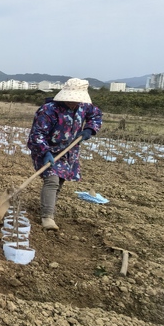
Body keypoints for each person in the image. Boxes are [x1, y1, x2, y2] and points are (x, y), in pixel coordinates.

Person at [26, 78, 102, 231]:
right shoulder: (48, 110)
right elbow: (37, 134)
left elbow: (96, 116)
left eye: (75, 100)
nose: (73, 103)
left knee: (60, 181)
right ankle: (47, 216)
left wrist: (89, 129)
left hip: (69, 151)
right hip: (47, 150)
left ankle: (49, 207)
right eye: (70, 100)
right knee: (52, 180)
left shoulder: (84, 107)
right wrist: (45, 152)